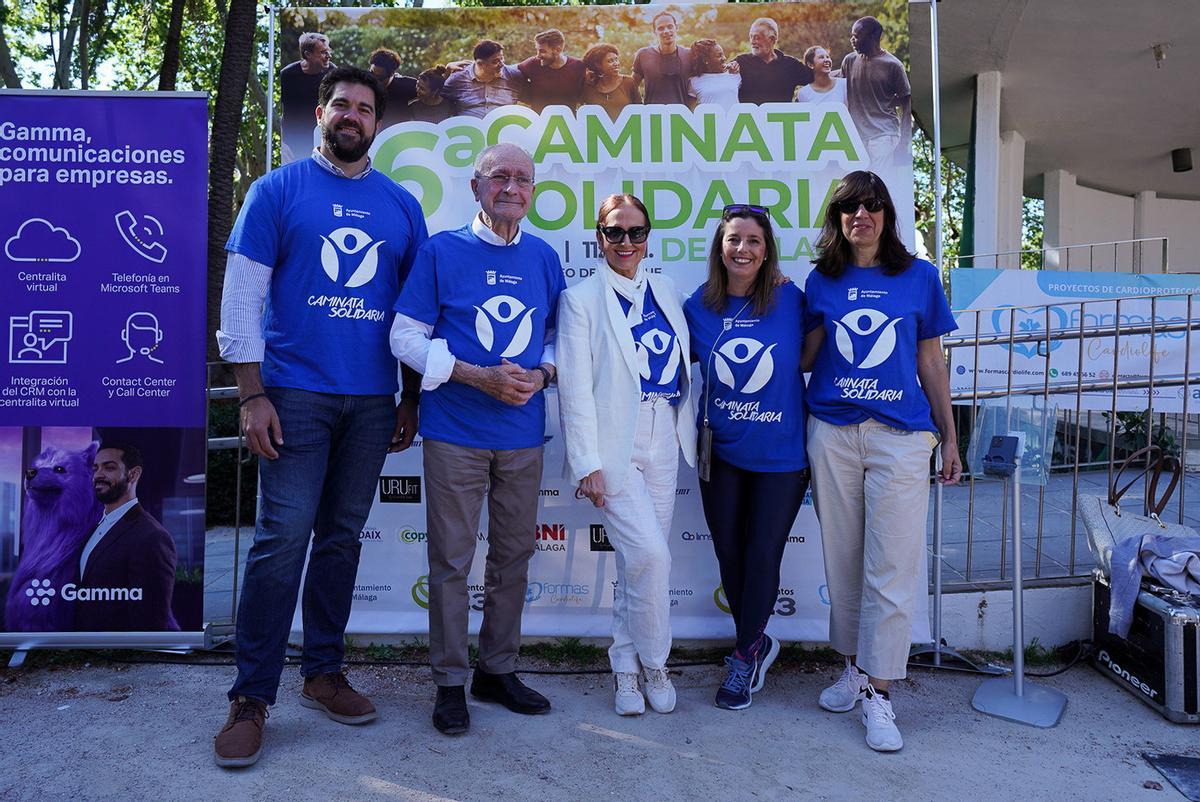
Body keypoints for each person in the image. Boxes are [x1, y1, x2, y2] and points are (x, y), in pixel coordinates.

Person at [213, 66, 429, 768]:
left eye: (365, 109)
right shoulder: (276, 191)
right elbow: (242, 296)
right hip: (293, 396)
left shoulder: (401, 206)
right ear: (321, 111)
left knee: (340, 540)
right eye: (342, 104)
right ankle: (251, 698)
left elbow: (414, 313)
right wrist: (250, 393)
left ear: (377, 124)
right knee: (282, 542)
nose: (352, 116)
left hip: (371, 403)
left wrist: (411, 396)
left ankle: (323, 673)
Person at [390, 143, 565, 736]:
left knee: (513, 556)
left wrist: (541, 375)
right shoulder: (440, 252)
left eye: (523, 178)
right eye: (499, 177)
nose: (511, 187)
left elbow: (555, 340)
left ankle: (497, 670)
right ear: (476, 187)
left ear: (532, 191)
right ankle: (448, 682)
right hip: (454, 433)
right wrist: (474, 376)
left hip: (522, 434)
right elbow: (405, 337)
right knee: (451, 562)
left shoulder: (544, 257)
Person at [801, 170, 960, 752]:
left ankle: (881, 693)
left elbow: (932, 362)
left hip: (901, 437)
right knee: (843, 564)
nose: (859, 217)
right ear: (838, 220)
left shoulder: (919, 277)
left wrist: (950, 436)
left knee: (890, 566)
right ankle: (852, 668)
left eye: (870, 207)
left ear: (886, 215)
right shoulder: (822, 281)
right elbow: (803, 356)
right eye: (848, 209)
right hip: (834, 434)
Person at [556, 194, 696, 717]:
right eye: (616, 233)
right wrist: (586, 462)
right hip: (615, 443)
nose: (626, 243)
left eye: (637, 233)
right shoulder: (580, 300)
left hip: (665, 434)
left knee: (639, 563)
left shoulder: (667, 291)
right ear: (600, 237)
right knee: (652, 557)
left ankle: (625, 670)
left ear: (648, 238)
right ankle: (656, 662)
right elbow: (573, 388)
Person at [684, 204, 809, 711]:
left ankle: (742, 657)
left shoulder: (790, 300)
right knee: (730, 555)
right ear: (720, 247)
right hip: (722, 453)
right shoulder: (698, 306)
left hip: (781, 454)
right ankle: (756, 643)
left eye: (754, 241)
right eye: (734, 239)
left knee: (762, 555)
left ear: (767, 249)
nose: (743, 249)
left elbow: (822, 346)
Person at [74, 443, 178, 633]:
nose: (98, 475)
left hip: (122, 654)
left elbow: (151, 620)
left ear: (133, 474)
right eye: (95, 468)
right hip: (92, 649)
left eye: (109, 467)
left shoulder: (152, 536)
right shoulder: (93, 529)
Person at [840, 16, 912, 171]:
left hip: (883, 135)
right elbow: (838, 84)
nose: (852, 40)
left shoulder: (894, 65)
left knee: (878, 182)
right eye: (852, 35)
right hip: (856, 137)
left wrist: (904, 143)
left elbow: (906, 106)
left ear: (872, 37)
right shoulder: (849, 61)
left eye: (857, 36)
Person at [280, 32, 335, 160]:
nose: (328, 56)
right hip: (292, 144)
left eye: (328, 51)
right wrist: (281, 144)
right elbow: (275, 111)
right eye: (323, 52)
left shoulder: (334, 75)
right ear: (307, 55)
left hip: (322, 143)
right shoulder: (287, 76)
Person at [734, 18, 812, 104]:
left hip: (781, 117)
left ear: (772, 39)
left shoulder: (791, 65)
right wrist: (729, 69)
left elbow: (817, 79)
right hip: (749, 117)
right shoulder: (741, 62)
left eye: (757, 37)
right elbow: (720, 76)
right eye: (751, 37)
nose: (752, 41)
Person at [440, 40, 525, 119]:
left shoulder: (514, 75)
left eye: (502, 58)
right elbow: (435, 96)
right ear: (480, 64)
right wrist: (446, 72)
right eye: (495, 61)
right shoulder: (458, 78)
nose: (502, 64)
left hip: (502, 130)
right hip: (469, 130)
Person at [516, 29, 586, 113]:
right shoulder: (532, 64)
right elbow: (511, 75)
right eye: (537, 50)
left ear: (557, 50)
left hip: (568, 121)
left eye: (542, 51)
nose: (538, 55)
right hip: (539, 122)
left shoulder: (578, 66)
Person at [632, 11, 692, 105]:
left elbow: (698, 86)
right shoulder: (643, 55)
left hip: (682, 116)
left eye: (670, 26)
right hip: (652, 116)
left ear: (677, 28)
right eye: (660, 28)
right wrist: (639, 106)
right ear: (654, 32)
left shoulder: (689, 54)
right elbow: (632, 86)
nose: (666, 31)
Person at [580, 44, 641, 121]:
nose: (616, 64)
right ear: (598, 65)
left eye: (616, 59)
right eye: (610, 61)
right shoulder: (589, 87)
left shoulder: (628, 82)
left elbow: (640, 110)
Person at [368, 47, 418, 127]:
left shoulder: (406, 85)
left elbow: (436, 91)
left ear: (392, 74)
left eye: (380, 78)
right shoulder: (362, 82)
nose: (374, 80)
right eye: (371, 73)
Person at [688, 39, 740, 109]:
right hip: (710, 120)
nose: (724, 58)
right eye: (719, 56)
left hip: (734, 119)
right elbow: (690, 110)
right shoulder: (694, 81)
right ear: (705, 60)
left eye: (723, 54)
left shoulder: (734, 73)